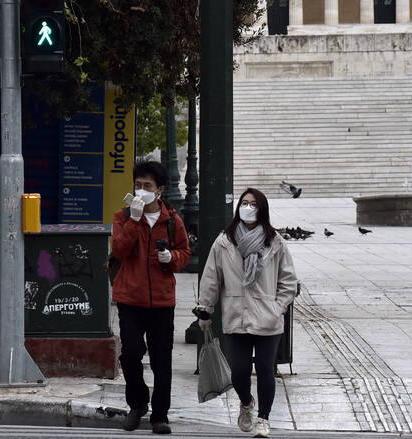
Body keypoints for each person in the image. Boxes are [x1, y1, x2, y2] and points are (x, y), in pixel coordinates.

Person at [196, 188, 297, 438]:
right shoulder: (224, 241)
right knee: (239, 371)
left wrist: (278, 307)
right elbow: (211, 277)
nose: (248, 207)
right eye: (244, 203)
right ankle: (246, 402)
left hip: (268, 319)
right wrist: (205, 309)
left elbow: (288, 281)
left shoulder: (275, 242)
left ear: (262, 209)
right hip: (236, 316)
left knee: (265, 369)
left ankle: (264, 418)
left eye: (253, 204)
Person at [111, 160, 191, 435]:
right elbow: (119, 251)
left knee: (161, 360)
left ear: (160, 190)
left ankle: (160, 414)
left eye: (147, 186)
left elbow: (185, 253)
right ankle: (137, 404)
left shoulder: (172, 221)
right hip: (130, 299)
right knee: (131, 353)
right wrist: (134, 220)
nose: (141, 190)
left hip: (161, 301)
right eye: (138, 185)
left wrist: (172, 258)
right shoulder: (123, 217)